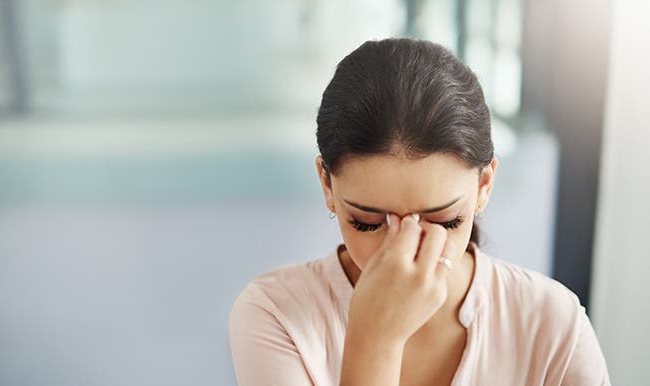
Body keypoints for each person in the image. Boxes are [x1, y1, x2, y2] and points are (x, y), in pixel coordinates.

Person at [227, 38, 611, 386]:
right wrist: (375, 340)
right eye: (369, 222)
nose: (405, 249)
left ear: (484, 186)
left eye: (444, 221)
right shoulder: (275, 315)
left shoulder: (553, 324)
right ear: (328, 185)